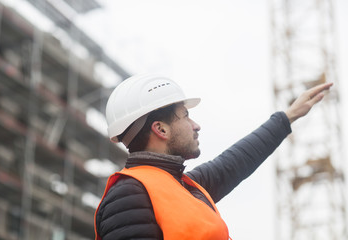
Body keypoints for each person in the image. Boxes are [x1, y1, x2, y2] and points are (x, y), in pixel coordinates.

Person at [94, 73, 333, 240]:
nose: (196, 125)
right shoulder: (129, 195)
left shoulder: (182, 187)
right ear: (161, 129)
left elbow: (235, 161)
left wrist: (287, 117)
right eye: (185, 115)